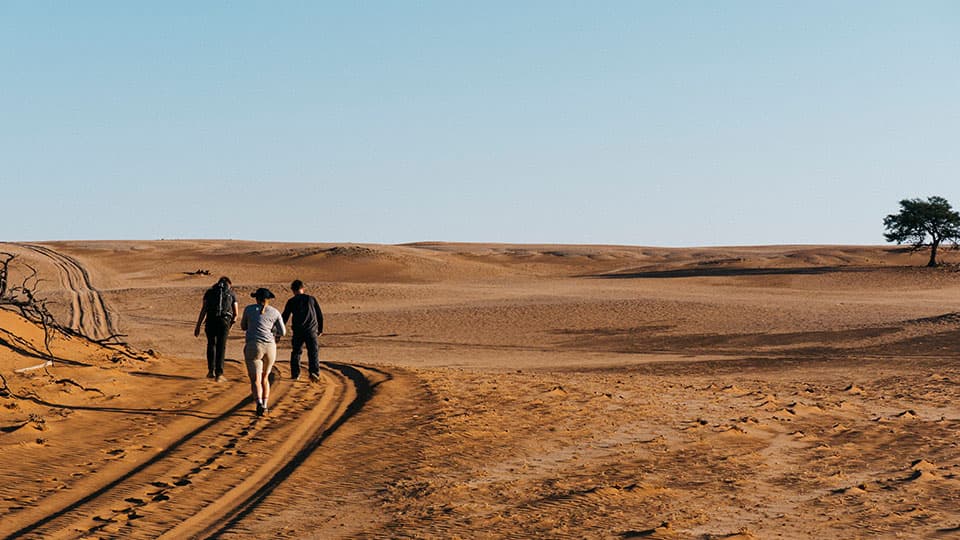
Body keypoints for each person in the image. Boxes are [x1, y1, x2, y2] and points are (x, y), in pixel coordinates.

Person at [240, 287, 286, 416]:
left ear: (256, 298)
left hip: (254, 346)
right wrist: (273, 331)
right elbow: (283, 332)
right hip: (270, 347)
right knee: (265, 378)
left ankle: (259, 403)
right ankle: (265, 405)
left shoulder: (249, 309)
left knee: (255, 379)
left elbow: (243, 326)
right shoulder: (275, 312)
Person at [194, 276, 238, 382]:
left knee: (211, 344)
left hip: (211, 320)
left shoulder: (209, 292)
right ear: (229, 284)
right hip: (224, 321)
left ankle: (210, 371)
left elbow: (204, 309)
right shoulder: (231, 293)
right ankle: (219, 374)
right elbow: (236, 314)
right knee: (221, 346)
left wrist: (198, 326)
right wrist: (230, 326)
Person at [281, 279, 324, 382]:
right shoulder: (311, 299)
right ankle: (314, 372)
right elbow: (319, 315)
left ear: (293, 290)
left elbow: (284, 317)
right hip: (311, 330)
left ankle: (295, 374)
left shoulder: (291, 301)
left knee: (296, 352)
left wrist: (279, 330)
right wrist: (320, 329)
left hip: (298, 331)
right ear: (303, 289)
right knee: (313, 352)